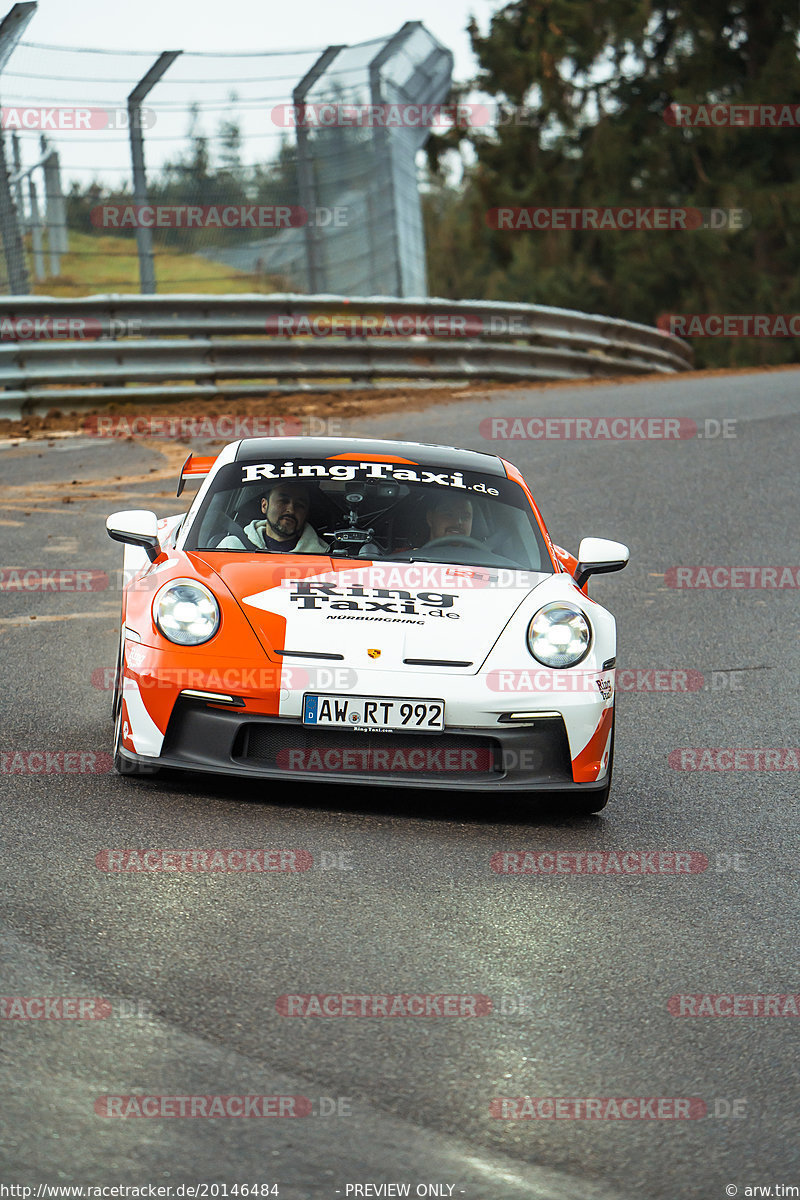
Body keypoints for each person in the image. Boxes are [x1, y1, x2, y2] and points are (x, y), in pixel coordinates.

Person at [217, 479, 329, 553]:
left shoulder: (324, 556)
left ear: (306, 513)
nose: (291, 509)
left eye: (300, 505)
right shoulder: (232, 547)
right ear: (264, 506)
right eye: (283, 501)